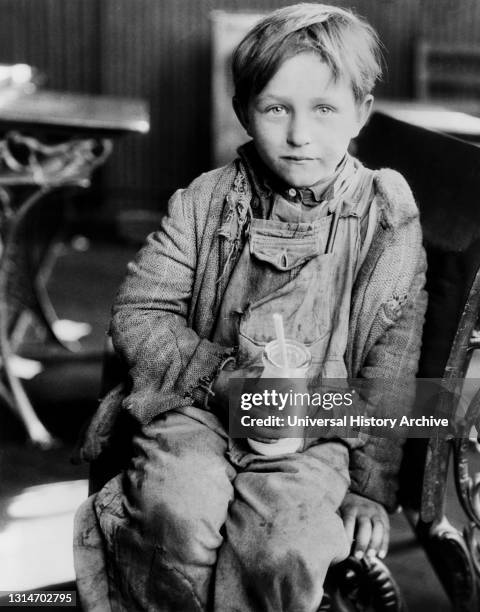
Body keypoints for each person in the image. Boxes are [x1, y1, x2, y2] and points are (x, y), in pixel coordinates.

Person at [74, 4, 427, 611]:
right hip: (197, 410)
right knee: (173, 511)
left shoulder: (384, 216)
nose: (298, 134)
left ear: (360, 114)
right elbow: (140, 311)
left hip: (317, 428)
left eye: (324, 109)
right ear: (244, 111)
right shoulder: (205, 202)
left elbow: (390, 361)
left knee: (284, 547)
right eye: (275, 108)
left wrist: (371, 486)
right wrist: (222, 378)